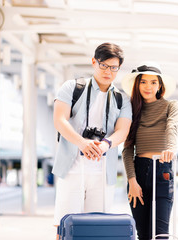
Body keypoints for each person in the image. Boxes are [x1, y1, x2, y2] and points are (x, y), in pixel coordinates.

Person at [52, 43, 132, 239]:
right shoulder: (72, 87)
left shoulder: (122, 99)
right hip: (71, 169)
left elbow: (122, 131)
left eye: (114, 68)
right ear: (94, 62)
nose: (108, 72)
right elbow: (59, 120)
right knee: (63, 226)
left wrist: (106, 144)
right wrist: (82, 143)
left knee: (98, 228)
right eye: (104, 65)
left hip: (103, 173)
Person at [121, 62, 178, 240]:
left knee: (161, 234)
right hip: (137, 173)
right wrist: (132, 181)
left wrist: (170, 148)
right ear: (137, 84)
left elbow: (172, 127)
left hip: (162, 170)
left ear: (160, 85)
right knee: (144, 235)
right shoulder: (130, 109)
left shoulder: (171, 106)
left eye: (153, 82)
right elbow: (126, 150)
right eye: (144, 82)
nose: (148, 87)